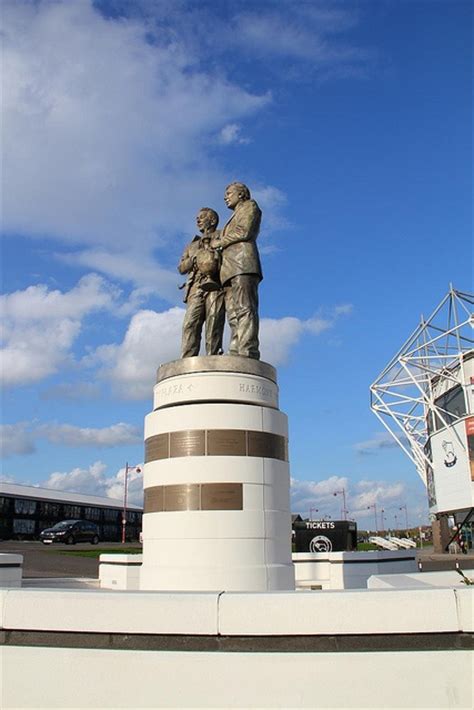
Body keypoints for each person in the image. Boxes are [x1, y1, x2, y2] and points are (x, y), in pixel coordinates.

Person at [210, 182, 262, 359]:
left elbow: (244, 231)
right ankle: (235, 351)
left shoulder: (249, 206)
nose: (225, 197)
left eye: (229, 193)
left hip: (243, 264)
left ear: (241, 194)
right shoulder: (230, 218)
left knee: (245, 308)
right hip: (229, 269)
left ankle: (248, 350)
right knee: (232, 314)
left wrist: (220, 242)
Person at [178, 208, 225, 358]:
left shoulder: (222, 235)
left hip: (217, 285)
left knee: (214, 322)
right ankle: (187, 359)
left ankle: (213, 357)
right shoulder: (192, 245)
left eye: (202, 217)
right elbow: (181, 268)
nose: (198, 220)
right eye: (197, 218)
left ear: (212, 220)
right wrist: (194, 258)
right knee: (190, 323)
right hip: (196, 286)